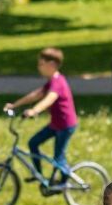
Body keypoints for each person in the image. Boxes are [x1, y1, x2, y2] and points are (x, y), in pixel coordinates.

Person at [6, 47, 77, 190]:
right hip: (56, 124)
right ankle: (38, 174)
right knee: (33, 142)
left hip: (65, 125)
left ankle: (63, 183)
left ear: (51, 65)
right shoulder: (51, 81)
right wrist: (15, 105)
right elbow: (36, 95)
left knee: (58, 157)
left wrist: (34, 110)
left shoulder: (58, 82)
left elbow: (49, 99)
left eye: (41, 64)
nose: (38, 67)